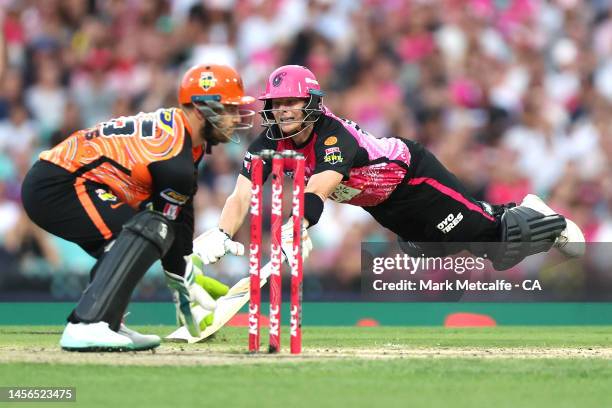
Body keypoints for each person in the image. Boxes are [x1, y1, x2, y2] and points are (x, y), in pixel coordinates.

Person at [195, 64, 584, 275]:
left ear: (310, 103)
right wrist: (221, 232)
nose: (281, 110)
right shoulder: (270, 141)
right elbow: (242, 192)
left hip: (414, 177)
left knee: (493, 235)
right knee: (462, 250)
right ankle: (518, 216)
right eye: (276, 102)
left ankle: (539, 216)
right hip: (380, 204)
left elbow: (317, 191)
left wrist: (296, 228)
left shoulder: (334, 138)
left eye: (290, 102)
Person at [21, 64, 254, 351]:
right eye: (228, 109)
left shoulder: (182, 138)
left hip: (69, 181)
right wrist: (181, 277)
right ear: (200, 108)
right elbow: (168, 222)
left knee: (135, 235)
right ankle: (87, 323)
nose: (235, 118)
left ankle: (107, 320)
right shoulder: (173, 155)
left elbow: (181, 215)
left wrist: (182, 270)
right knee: (147, 228)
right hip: (60, 184)